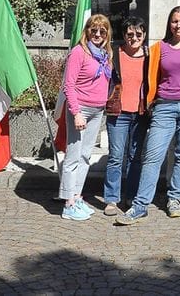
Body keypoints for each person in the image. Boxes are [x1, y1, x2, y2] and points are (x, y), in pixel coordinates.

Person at [116, 6, 180, 225]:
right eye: (174, 21)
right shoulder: (158, 48)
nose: (178, 25)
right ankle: (140, 205)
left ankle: (175, 198)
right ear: (169, 24)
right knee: (153, 156)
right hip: (164, 107)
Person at [60, 14, 114, 221]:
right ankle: (68, 203)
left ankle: (77, 196)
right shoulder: (78, 52)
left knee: (85, 156)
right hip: (80, 109)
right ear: (87, 31)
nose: (98, 34)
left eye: (102, 31)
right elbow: (69, 85)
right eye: (94, 30)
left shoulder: (104, 55)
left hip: (97, 110)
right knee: (73, 157)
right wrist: (76, 113)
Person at [103, 16, 149, 216]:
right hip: (118, 112)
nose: (134, 38)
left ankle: (131, 196)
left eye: (138, 34)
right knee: (115, 157)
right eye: (129, 34)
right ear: (123, 35)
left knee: (135, 158)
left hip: (140, 114)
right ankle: (112, 199)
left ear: (144, 35)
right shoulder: (114, 53)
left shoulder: (149, 56)